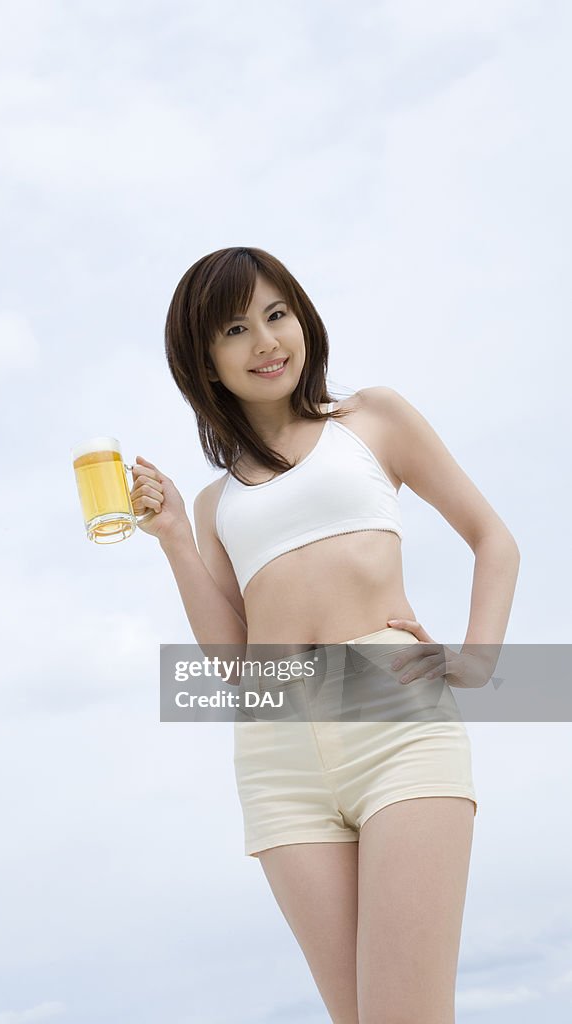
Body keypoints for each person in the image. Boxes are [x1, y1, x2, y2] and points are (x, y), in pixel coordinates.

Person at [128, 246, 520, 1024]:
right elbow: (237, 669)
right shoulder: (213, 505)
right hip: (278, 755)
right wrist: (173, 533)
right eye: (236, 329)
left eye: (277, 314)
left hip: (395, 721)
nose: (266, 342)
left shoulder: (371, 419)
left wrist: (478, 659)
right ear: (205, 363)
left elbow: (493, 539)